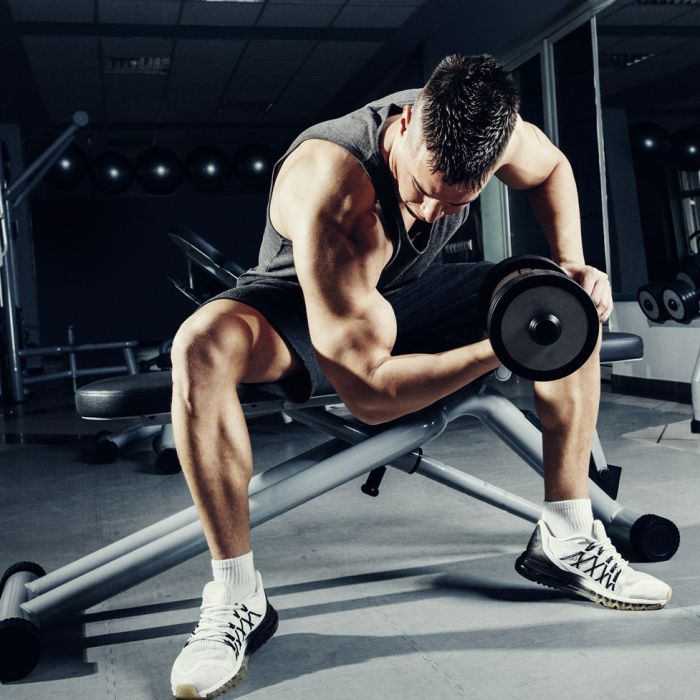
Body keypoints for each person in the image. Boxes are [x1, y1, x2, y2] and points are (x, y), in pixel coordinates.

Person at [169, 54, 671, 699]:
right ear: (406, 125)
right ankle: (237, 597)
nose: (433, 212)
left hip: (413, 294)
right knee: (202, 344)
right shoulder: (334, 197)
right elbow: (370, 397)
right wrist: (500, 348)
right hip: (304, 307)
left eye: (455, 200)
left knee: (559, 298)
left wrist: (572, 264)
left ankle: (568, 536)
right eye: (420, 191)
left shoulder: (490, 129)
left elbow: (552, 169)